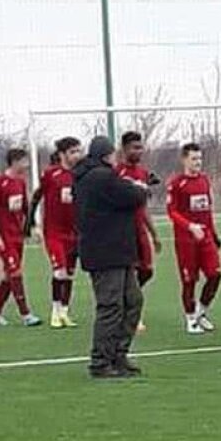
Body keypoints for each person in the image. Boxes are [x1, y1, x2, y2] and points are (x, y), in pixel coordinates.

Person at [73, 135, 150, 379]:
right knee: (111, 306)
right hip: (108, 253)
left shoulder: (87, 177)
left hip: (112, 251)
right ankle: (101, 361)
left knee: (132, 301)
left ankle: (118, 354)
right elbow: (132, 197)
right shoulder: (101, 177)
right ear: (107, 155)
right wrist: (140, 188)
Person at [166, 142, 221, 334]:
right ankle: (190, 318)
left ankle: (201, 311)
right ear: (184, 160)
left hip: (205, 238)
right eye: (194, 159)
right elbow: (171, 212)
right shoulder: (176, 183)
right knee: (189, 280)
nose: (198, 162)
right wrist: (190, 227)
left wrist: (213, 234)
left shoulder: (205, 180)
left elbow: (208, 210)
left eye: (200, 159)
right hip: (185, 240)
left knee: (215, 274)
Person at [31, 137, 83, 329]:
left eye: (79, 151)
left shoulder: (82, 174)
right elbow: (36, 197)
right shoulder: (51, 175)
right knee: (59, 272)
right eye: (73, 152)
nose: (77, 155)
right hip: (54, 232)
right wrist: (32, 224)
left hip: (75, 233)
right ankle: (55, 312)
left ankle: (65, 313)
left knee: (69, 274)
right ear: (62, 155)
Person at [114, 131, 163, 333]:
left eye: (140, 147)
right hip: (124, 231)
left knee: (147, 270)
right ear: (124, 149)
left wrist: (154, 234)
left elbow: (143, 208)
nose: (139, 151)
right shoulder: (116, 173)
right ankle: (133, 315)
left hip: (140, 230)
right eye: (135, 147)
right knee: (131, 272)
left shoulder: (143, 174)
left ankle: (128, 303)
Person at [0, 148, 42, 327]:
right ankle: (26, 314)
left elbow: (25, 207)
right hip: (4, 237)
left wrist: (32, 227)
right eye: (24, 161)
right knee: (15, 272)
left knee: (8, 276)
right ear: (15, 161)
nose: (27, 165)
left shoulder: (20, 182)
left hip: (16, 235)